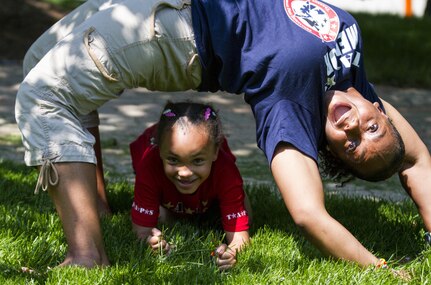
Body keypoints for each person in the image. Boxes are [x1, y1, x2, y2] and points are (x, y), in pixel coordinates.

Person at [15, 0, 431, 269]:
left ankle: (87, 255)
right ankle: (98, 209)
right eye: (371, 127)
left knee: (45, 94)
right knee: (39, 62)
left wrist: (380, 270)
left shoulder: (291, 109)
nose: (352, 126)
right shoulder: (355, 77)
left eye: (350, 145)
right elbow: (416, 160)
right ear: (379, 109)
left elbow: (308, 213)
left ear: (331, 150)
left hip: (181, 26)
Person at [130, 101, 250, 270]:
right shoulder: (149, 166)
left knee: (245, 211)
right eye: (173, 159)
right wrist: (151, 241)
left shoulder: (226, 171)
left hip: (215, 187)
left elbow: (240, 238)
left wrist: (232, 253)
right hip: (163, 190)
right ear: (159, 151)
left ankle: (222, 202)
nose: (185, 172)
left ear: (215, 152)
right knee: (162, 218)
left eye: (198, 160)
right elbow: (141, 231)